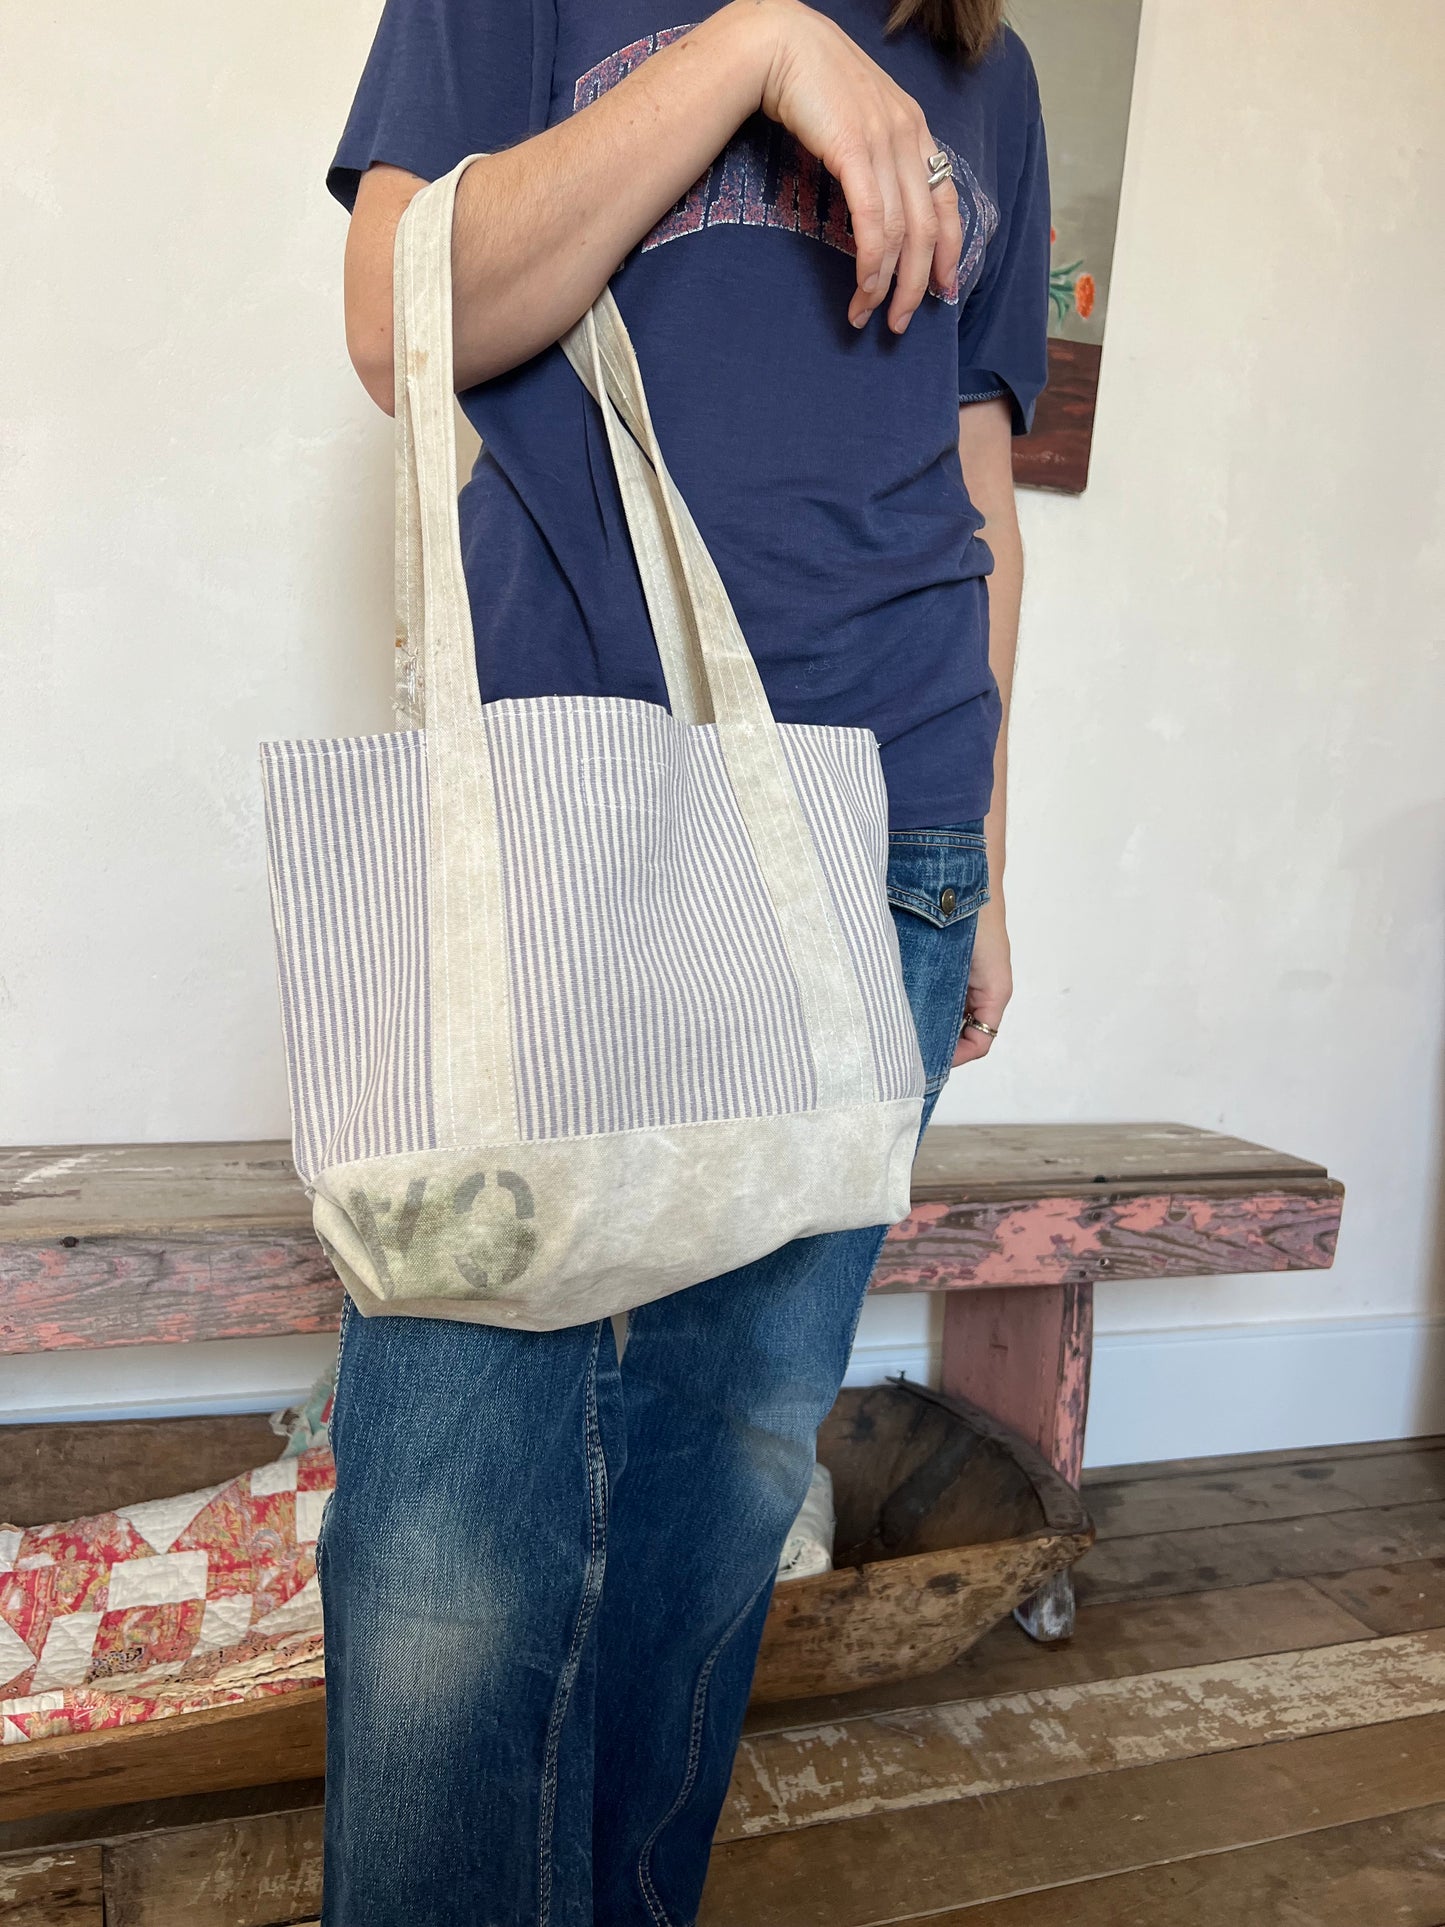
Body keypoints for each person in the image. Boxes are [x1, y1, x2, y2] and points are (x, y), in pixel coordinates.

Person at [319, 1, 1049, 1919]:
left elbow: (980, 500)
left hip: (882, 838)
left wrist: (986, 863)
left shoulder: (987, 65)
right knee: (441, 1543)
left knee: (713, 1517)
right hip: (571, 825)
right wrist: (745, 53)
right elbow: (406, 320)